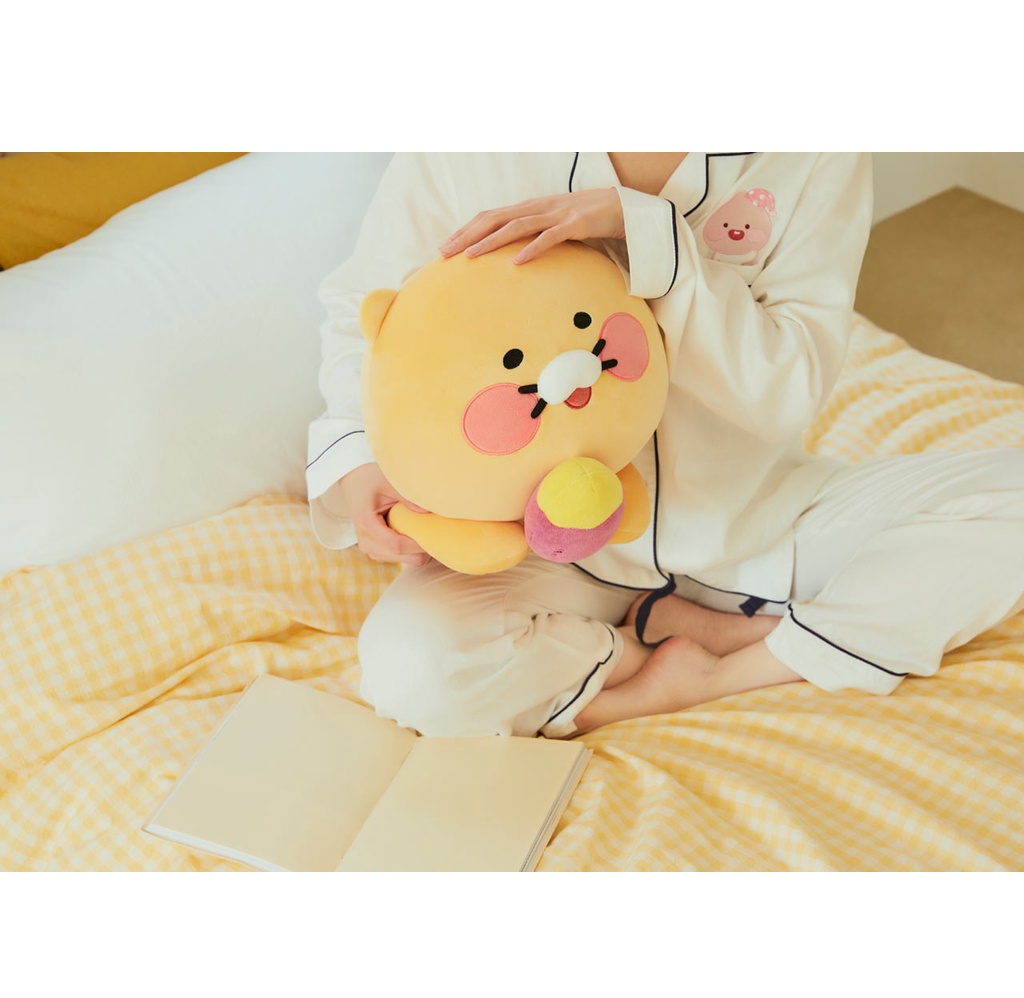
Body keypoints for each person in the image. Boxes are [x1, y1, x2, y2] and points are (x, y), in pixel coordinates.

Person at [306, 152, 1024, 739]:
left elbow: (789, 385)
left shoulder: (813, 146)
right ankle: (647, 652)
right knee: (411, 668)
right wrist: (358, 454)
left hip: (754, 527)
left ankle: (718, 672)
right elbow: (371, 309)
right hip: (540, 547)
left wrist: (662, 249)